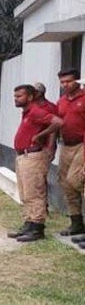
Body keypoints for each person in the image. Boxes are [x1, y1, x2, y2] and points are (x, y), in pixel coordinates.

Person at [7, 85, 62, 242]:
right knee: (26, 193)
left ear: (30, 97)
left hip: (33, 157)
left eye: (19, 96)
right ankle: (29, 223)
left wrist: (40, 136)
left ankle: (37, 227)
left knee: (35, 192)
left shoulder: (36, 111)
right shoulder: (27, 113)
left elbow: (58, 122)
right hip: (23, 156)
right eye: (15, 96)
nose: (16, 99)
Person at [56, 69, 85, 237]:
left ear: (77, 81)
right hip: (66, 145)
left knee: (75, 180)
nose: (65, 85)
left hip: (82, 144)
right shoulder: (62, 101)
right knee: (67, 185)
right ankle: (76, 223)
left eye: (69, 81)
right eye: (62, 82)